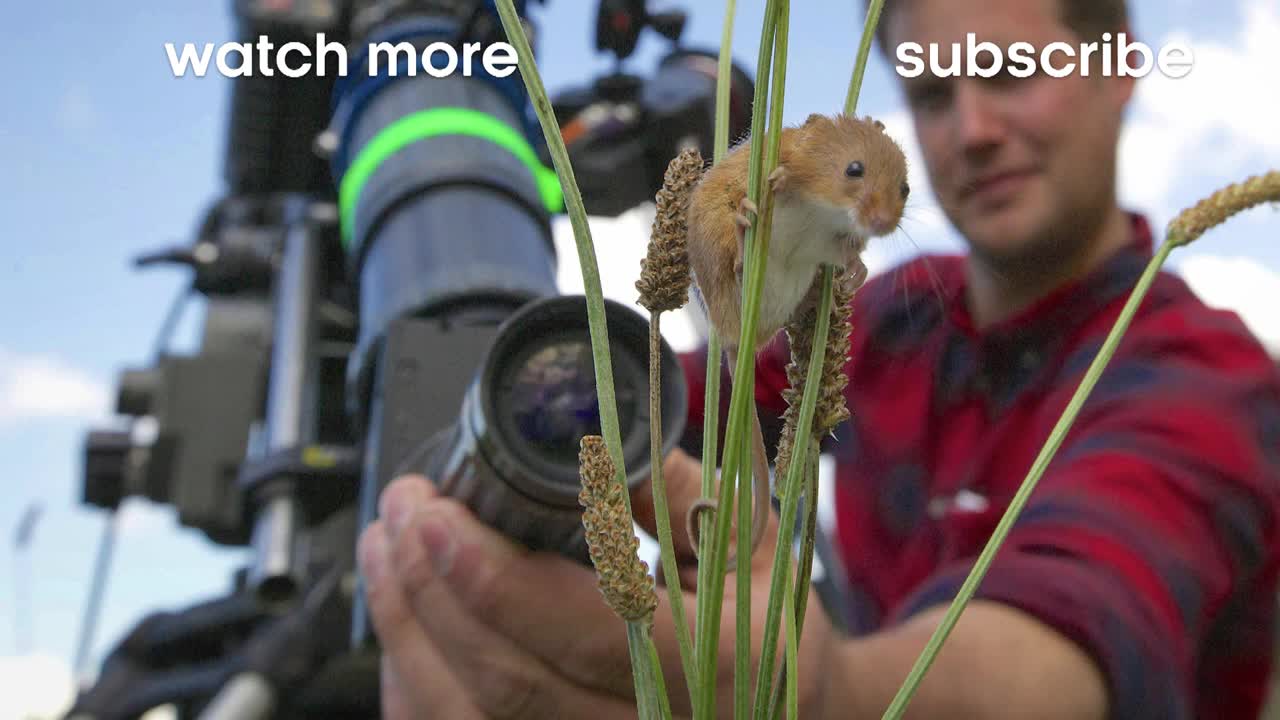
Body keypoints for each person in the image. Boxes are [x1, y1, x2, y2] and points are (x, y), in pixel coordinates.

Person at [355, 0, 1280, 716]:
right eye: (931, 94)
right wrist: (533, 420)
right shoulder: (882, 319)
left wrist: (821, 692)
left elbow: (1069, 645)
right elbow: (666, 400)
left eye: (1008, 72)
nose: (973, 128)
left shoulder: (1206, 379)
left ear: (1119, 69)